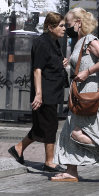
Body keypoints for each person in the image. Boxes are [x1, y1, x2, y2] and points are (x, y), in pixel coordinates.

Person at [51, 7, 99, 182]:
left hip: (88, 92)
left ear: (78, 23)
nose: (67, 28)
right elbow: (81, 66)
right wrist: (68, 66)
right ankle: (71, 171)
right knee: (69, 131)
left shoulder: (89, 40)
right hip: (79, 91)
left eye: (69, 24)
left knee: (77, 133)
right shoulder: (77, 42)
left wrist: (87, 72)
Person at [8, 12, 68, 173]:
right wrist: (39, 94)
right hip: (46, 91)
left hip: (54, 90)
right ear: (50, 27)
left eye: (64, 25)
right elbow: (37, 70)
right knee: (50, 126)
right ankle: (49, 162)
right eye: (61, 26)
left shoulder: (54, 42)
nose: (64, 29)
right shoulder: (42, 43)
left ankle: (18, 148)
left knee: (42, 126)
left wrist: (62, 62)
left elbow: (51, 63)